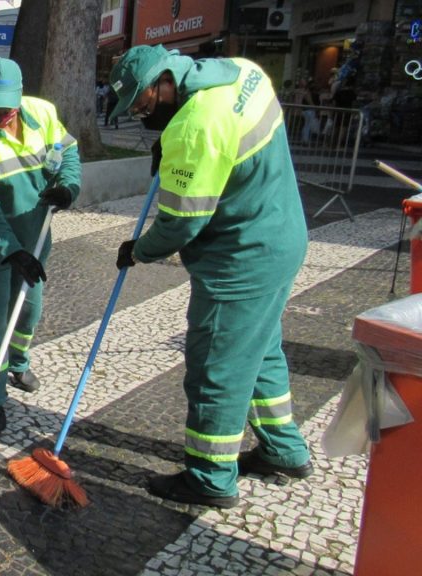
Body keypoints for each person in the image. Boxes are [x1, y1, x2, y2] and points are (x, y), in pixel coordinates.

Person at [108, 44, 313, 509]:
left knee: (216, 366)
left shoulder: (194, 127)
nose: (142, 116)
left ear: (164, 84)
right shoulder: (241, 72)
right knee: (258, 349)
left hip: (241, 257)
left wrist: (138, 250)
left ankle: (210, 476)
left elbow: (182, 222)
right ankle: (284, 449)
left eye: (142, 105)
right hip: (283, 235)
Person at [0, 58, 81, 432]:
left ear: (20, 97)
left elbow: (69, 154)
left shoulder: (43, 114)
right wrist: (10, 250)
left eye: (6, 110)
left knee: (28, 309)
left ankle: (19, 362)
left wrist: (68, 187)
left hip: (34, 232)